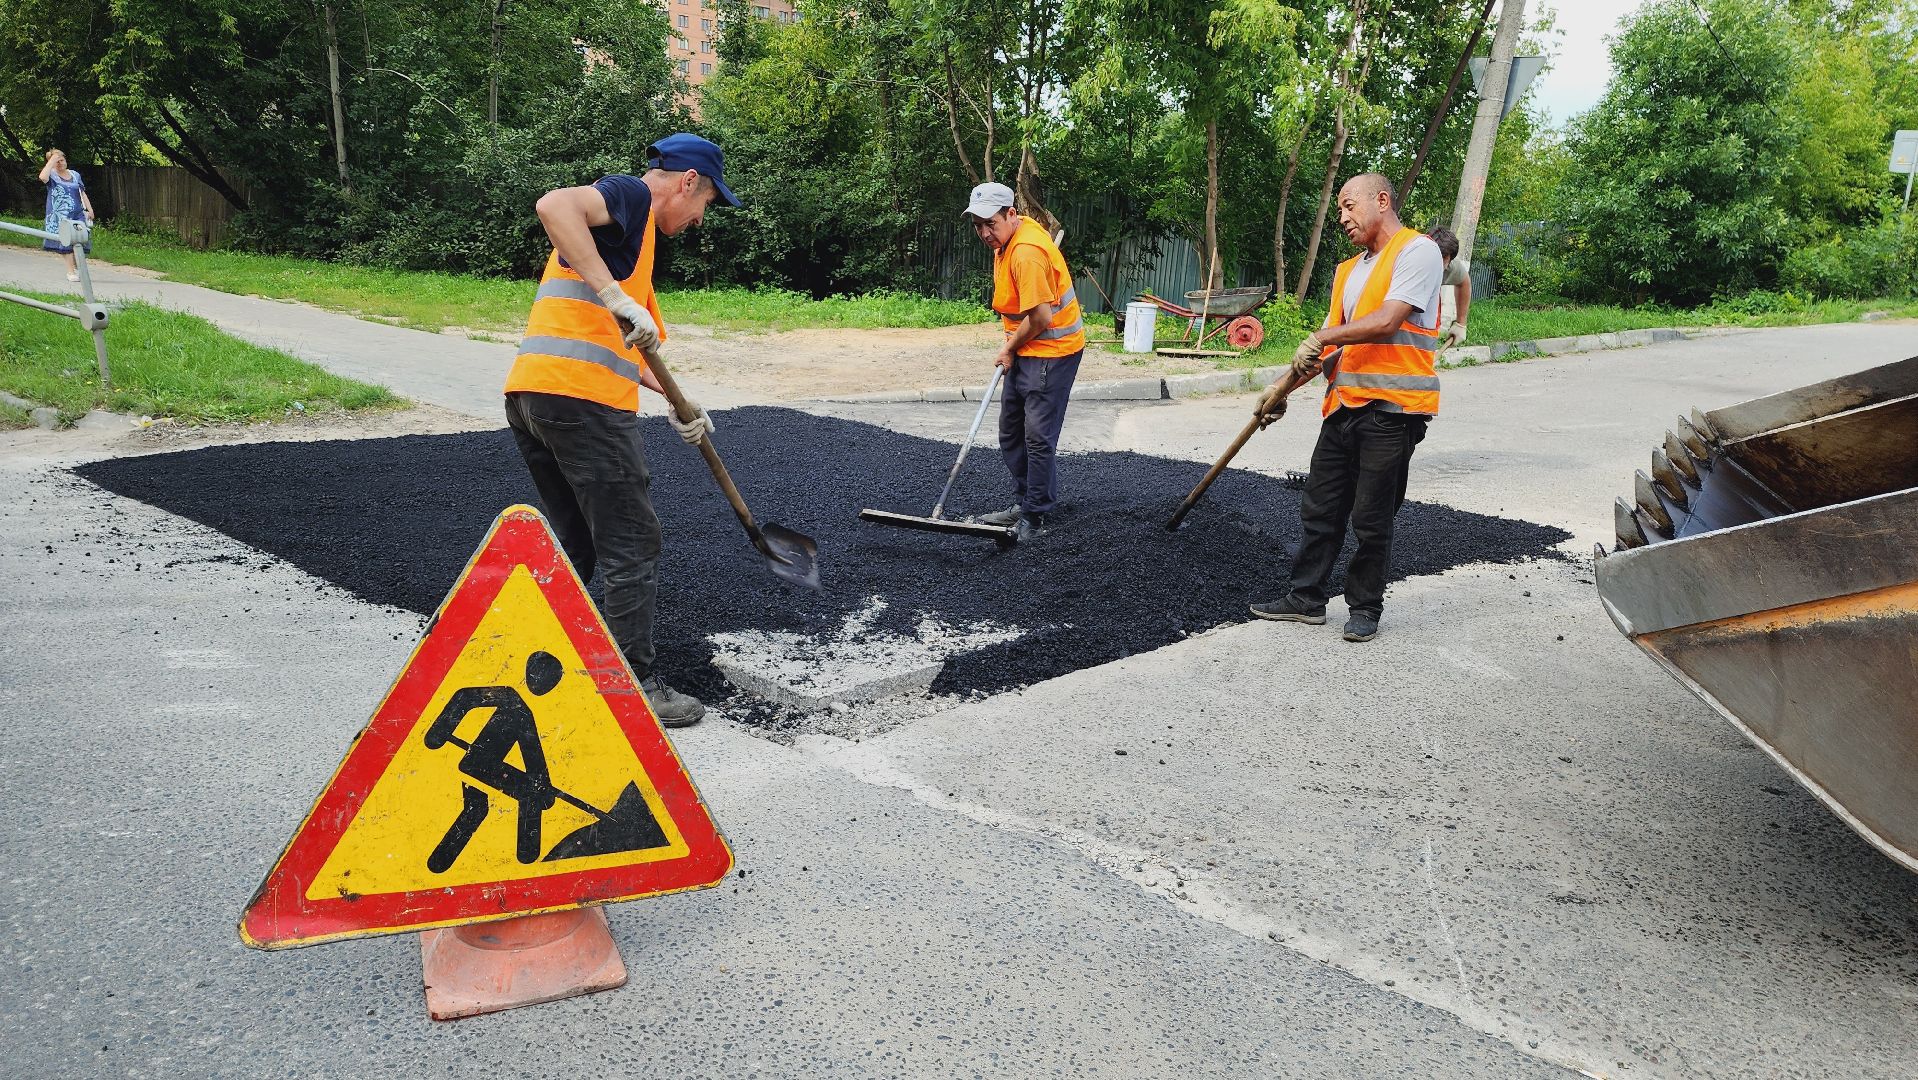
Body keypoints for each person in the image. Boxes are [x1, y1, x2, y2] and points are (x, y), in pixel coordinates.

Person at [502, 133, 740, 727]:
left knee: (583, 544)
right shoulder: (632, 198)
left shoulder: (636, 251)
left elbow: (634, 350)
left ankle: (554, 659)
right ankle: (629, 686)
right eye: (706, 203)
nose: (700, 218)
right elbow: (553, 204)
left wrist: (680, 404)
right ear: (687, 182)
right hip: (584, 407)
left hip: (534, 396)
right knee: (631, 543)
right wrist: (613, 294)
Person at [1250, 172, 1443, 643]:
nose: (1342, 217)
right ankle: (1306, 598)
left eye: (1348, 205)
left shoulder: (1418, 251)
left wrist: (1322, 336)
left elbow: (1387, 320)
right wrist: (1280, 390)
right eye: (1339, 210)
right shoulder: (1346, 271)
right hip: (1343, 407)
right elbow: (1328, 350)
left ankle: (1365, 607)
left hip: (1393, 410)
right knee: (1320, 507)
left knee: (1372, 516)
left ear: (1382, 200)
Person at [962, 182, 1087, 541]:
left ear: (1011, 214)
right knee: (1010, 430)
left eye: (991, 223)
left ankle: (1034, 516)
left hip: (1052, 351)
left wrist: (1008, 348)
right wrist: (1015, 347)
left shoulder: (1026, 253)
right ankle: (1026, 499)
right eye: (978, 226)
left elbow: (1042, 318)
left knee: (1036, 437)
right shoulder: (1006, 241)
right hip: (1028, 348)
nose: (985, 233)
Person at [38, 149, 94, 282]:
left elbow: (82, 193)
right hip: (61, 215)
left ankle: (77, 266)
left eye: (61, 160)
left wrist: (90, 209)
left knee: (81, 239)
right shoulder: (51, 175)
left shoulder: (75, 175)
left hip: (78, 213)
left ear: (65, 160)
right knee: (66, 242)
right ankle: (70, 271)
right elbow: (42, 177)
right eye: (57, 162)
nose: (60, 163)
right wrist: (52, 160)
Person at [1427, 226, 1471, 350]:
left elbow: (1464, 282)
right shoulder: (1406, 261)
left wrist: (1461, 323)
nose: (1436, 264)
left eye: (1443, 261)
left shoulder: (1450, 267)